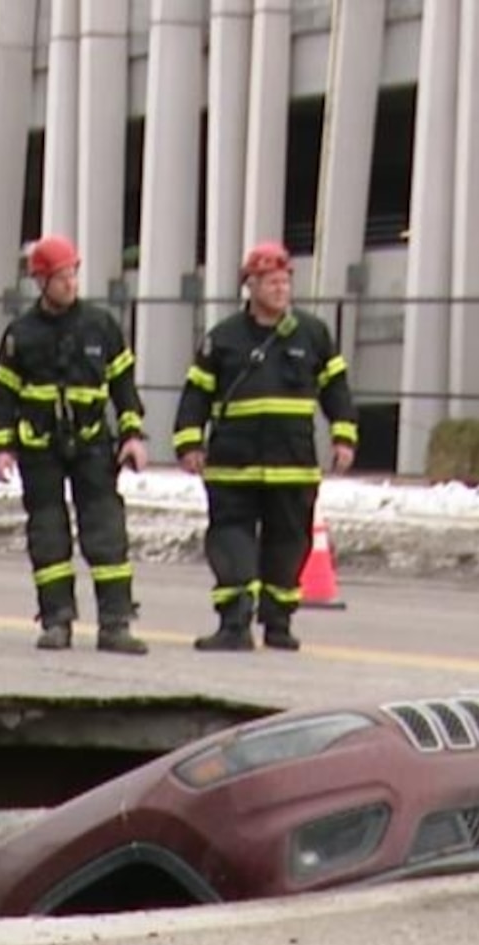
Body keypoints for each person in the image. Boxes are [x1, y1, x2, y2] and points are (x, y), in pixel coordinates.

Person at [172, 240, 357, 652]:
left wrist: (345, 436)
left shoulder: (312, 334)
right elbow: (196, 394)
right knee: (231, 540)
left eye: (285, 281)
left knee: (289, 544)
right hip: (233, 465)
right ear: (250, 286)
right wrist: (188, 441)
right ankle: (234, 624)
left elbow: (337, 391)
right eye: (271, 282)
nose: (281, 289)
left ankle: (278, 623)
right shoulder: (223, 339)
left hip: (292, 464)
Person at [0, 234, 149, 653]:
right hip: (40, 449)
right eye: (60, 276)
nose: (70, 283)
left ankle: (115, 623)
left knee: (106, 532)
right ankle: (56, 620)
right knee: (48, 534)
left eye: (73, 274)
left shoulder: (101, 326)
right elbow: (3, 395)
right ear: (41, 281)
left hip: (93, 445)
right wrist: (2, 447)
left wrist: (132, 435)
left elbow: (124, 387)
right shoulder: (20, 334)